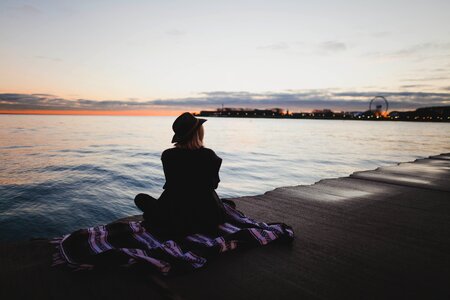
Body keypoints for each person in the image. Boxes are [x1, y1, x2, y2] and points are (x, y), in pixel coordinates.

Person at [134, 112, 226, 238]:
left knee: (140, 198)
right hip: (207, 215)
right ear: (199, 133)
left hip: (175, 213)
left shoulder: (168, 155)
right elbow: (213, 185)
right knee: (220, 203)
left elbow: (171, 184)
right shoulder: (210, 155)